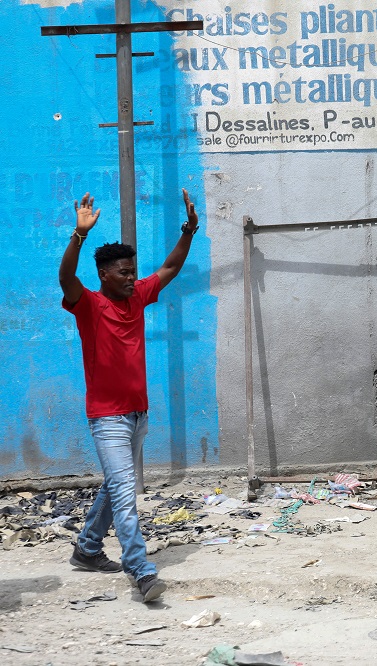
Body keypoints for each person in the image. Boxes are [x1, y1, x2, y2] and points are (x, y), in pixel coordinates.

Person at [59, 189, 200, 603]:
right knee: (124, 493)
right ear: (104, 274)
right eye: (123, 272)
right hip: (108, 418)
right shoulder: (89, 304)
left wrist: (189, 229)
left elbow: (171, 266)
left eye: (132, 271)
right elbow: (66, 278)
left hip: (138, 415)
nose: (131, 277)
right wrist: (79, 236)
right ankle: (140, 570)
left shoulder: (137, 297)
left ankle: (87, 549)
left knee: (114, 486)